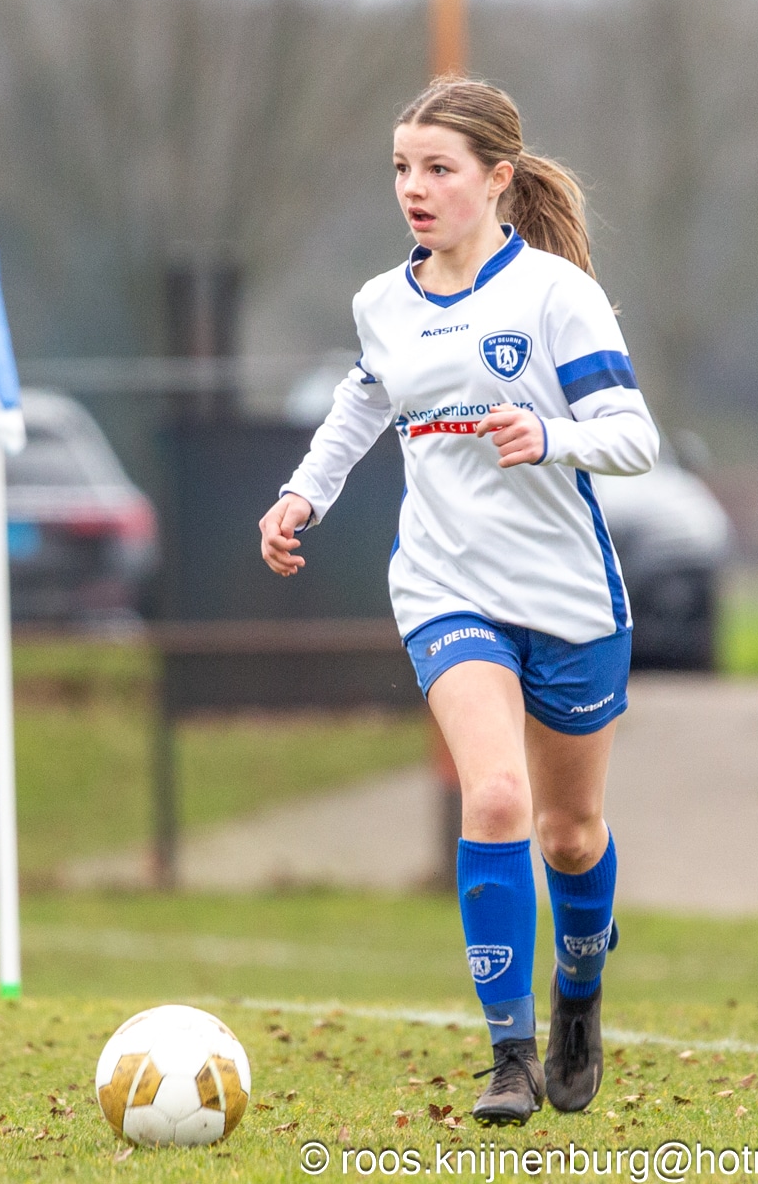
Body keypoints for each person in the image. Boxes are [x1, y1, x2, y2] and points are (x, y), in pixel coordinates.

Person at [259, 77, 658, 1123]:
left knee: (570, 833)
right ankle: (510, 1055)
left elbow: (635, 436)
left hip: (567, 596)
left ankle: (580, 989)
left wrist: (552, 434)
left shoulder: (557, 296)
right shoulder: (382, 304)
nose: (415, 188)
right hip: (445, 584)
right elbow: (360, 406)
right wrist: (302, 494)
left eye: (439, 168)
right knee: (495, 799)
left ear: (497, 178)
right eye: (402, 168)